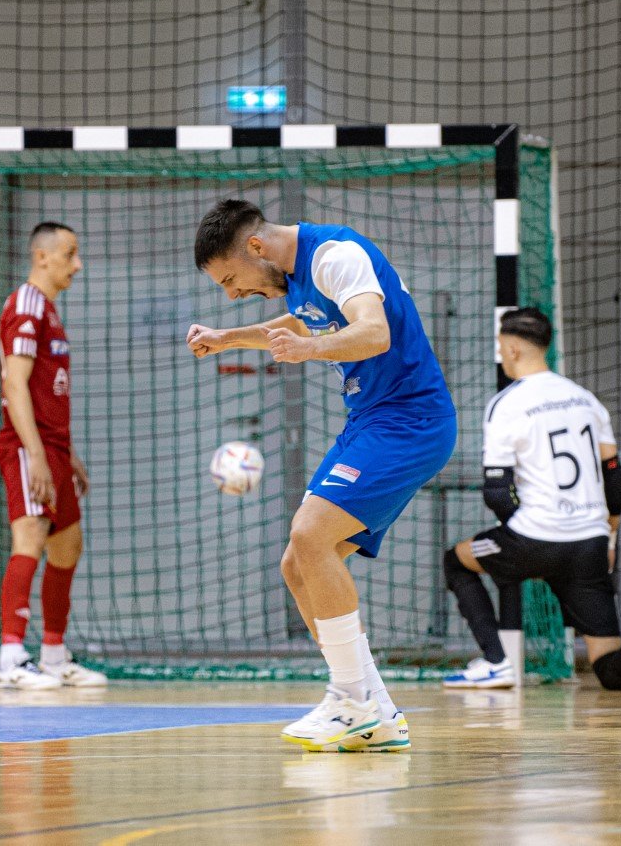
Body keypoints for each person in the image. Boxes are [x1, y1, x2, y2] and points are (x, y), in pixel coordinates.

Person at [188, 200, 457, 752]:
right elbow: (299, 323)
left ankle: (352, 700)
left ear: (256, 248)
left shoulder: (335, 255)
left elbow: (374, 332)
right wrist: (227, 336)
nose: (232, 294)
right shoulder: (295, 280)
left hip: (410, 421)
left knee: (310, 535)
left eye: (232, 280)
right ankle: (374, 709)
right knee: (299, 564)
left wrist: (308, 351)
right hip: (372, 421)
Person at [441, 307, 621, 693]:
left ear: (510, 348)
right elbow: (615, 481)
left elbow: (496, 491)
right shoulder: (586, 400)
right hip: (590, 544)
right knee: (609, 671)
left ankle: (495, 664)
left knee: (456, 562)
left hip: (536, 536)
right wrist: (608, 538)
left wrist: (531, 544)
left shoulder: (506, 404)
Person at [0, 221, 104, 690]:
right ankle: (11, 658)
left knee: (68, 544)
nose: (77, 264)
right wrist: (36, 454)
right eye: (70, 254)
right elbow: (14, 383)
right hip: (27, 445)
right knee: (31, 537)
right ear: (42, 256)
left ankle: (55, 657)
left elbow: (47, 391)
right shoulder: (26, 303)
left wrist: (68, 452)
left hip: (54, 447)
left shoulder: (50, 311)